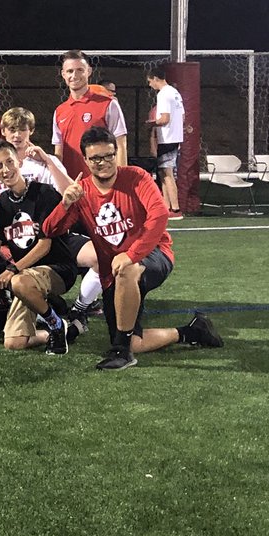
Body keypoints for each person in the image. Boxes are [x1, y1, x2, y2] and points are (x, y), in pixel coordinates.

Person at [41, 127, 223, 370]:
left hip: (152, 254)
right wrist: (65, 204)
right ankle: (192, 332)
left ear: (116, 153)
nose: (103, 162)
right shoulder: (81, 192)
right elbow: (50, 230)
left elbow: (159, 216)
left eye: (108, 155)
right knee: (131, 340)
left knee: (127, 273)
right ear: (85, 160)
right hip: (114, 272)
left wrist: (131, 254)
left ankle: (121, 354)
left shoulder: (136, 177)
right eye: (95, 158)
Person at [0, 140, 77, 353]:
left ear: (19, 161)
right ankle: (66, 329)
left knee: (17, 281)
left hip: (58, 269)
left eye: (9, 162)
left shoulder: (44, 193)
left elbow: (45, 245)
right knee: (14, 343)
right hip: (26, 276)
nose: (6, 169)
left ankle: (55, 325)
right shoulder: (3, 202)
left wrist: (12, 269)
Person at [52, 49, 128, 180]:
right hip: (71, 184)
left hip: (102, 182)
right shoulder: (59, 111)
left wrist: (121, 179)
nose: (74, 75)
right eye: (70, 71)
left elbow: (120, 144)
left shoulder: (108, 104)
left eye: (80, 70)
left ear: (89, 71)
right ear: (63, 74)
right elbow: (59, 153)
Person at [145, 65, 185, 218]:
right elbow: (182, 117)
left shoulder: (163, 94)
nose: (150, 85)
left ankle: (175, 209)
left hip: (167, 138)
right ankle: (166, 207)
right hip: (175, 137)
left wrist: (151, 123)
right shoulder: (175, 93)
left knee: (167, 174)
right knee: (163, 172)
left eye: (150, 81)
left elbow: (164, 119)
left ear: (156, 78)